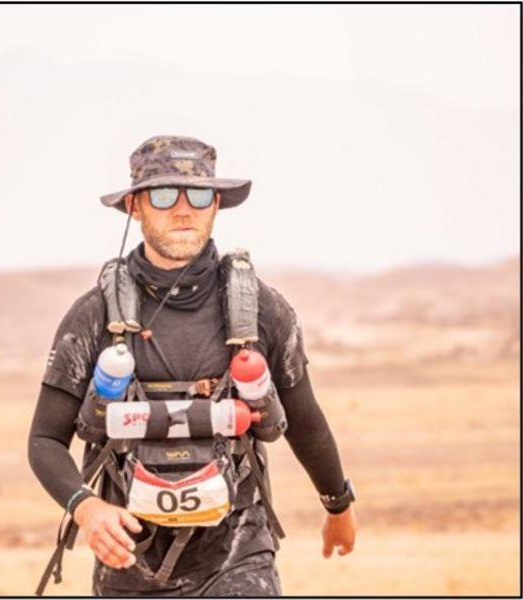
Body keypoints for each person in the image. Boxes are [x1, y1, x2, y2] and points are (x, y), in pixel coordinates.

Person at [28, 135, 357, 597]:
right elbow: (45, 439)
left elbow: (304, 420)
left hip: (238, 557)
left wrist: (338, 505)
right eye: (164, 195)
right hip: (128, 564)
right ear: (135, 207)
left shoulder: (259, 309)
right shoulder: (94, 315)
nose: (183, 209)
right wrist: (86, 508)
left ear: (216, 204)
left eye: (198, 195)